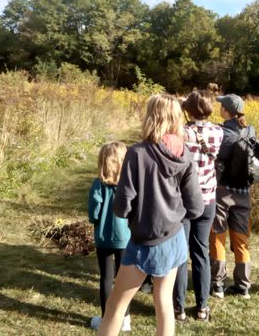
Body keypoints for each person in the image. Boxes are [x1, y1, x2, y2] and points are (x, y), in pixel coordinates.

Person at [97, 94, 204, 336]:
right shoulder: (184, 153)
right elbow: (196, 207)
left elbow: (121, 206)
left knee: (115, 305)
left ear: (151, 117)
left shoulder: (137, 153)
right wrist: (172, 213)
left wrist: (137, 214)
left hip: (146, 241)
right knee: (164, 303)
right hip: (175, 238)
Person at [173, 90, 223, 322]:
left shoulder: (182, 132)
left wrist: (181, 106)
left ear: (189, 110)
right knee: (201, 251)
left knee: (181, 253)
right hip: (208, 198)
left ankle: (179, 308)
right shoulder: (218, 132)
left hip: (185, 199)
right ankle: (202, 306)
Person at [209, 94, 254, 299]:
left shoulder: (220, 132)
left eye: (221, 106)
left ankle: (217, 284)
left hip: (222, 190)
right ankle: (243, 286)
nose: (219, 108)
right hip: (243, 191)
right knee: (241, 237)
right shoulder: (250, 130)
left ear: (226, 111)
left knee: (217, 235)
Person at [88, 142, 132, 331]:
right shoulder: (128, 185)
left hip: (104, 237)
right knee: (124, 278)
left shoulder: (98, 185)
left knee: (106, 277)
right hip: (125, 237)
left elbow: (94, 214)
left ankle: (107, 319)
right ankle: (125, 318)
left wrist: (95, 218)